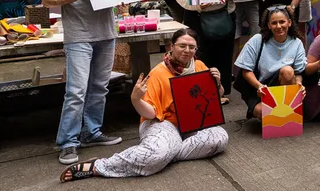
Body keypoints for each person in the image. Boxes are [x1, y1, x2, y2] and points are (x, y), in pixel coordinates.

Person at [59, 29, 229, 182]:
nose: (187, 51)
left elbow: (216, 97)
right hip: (162, 123)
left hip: (193, 123)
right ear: (171, 46)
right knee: (156, 153)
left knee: (220, 138)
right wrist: (136, 99)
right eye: (182, 46)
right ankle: (99, 166)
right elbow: (150, 113)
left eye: (192, 47)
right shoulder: (158, 72)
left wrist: (217, 83)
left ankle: (167, 155)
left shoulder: (199, 66)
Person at [43, 0, 124, 165]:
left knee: (99, 87)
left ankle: (92, 132)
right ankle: (67, 142)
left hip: (106, 32)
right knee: (76, 91)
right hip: (78, 35)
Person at [174, 0, 244, 103]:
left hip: (224, 15)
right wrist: (197, 5)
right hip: (198, 18)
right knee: (201, 55)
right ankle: (202, 91)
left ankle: (221, 92)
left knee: (224, 54)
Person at [235, 6, 308, 120]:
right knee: (262, 112)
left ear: (289, 23)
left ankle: (288, 113)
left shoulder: (296, 43)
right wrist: (259, 86)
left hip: (283, 84)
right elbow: (246, 71)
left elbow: (298, 72)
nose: (278, 26)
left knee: (288, 71)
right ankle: (277, 114)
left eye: (282, 22)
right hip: (260, 87)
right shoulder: (257, 40)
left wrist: (299, 84)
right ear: (269, 25)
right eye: (274, 23)